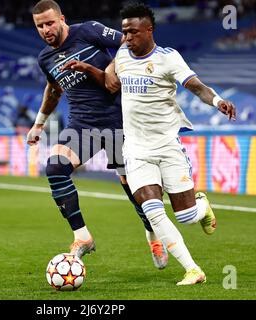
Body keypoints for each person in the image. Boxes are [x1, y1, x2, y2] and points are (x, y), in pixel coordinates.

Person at [67, 3, 237, 285]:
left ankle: (201, 207)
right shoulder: (121, 54)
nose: (127, 37)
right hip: (135, 149)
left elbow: (196, 86)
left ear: (149, 30)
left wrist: (218, 101)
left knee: (186, 216)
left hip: (168, 145)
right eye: (124, 32)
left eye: (133, 32)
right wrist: (87, 68)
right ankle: (193, 269)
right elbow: (111, 85)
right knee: (152, 210)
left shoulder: (168, 58)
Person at [27, 0, 168, 268]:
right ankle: (83, 237)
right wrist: (39, 123)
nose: (46, 29)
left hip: (119, 121)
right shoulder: (45, 58)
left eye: (49, 23)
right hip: (83, 125)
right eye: (40, 26)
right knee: (55, 167)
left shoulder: (88, 31)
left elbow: (129, 43)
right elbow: (54, 89)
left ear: (62, 19)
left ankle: (153, 234)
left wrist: (111, 69)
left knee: (135, 190)